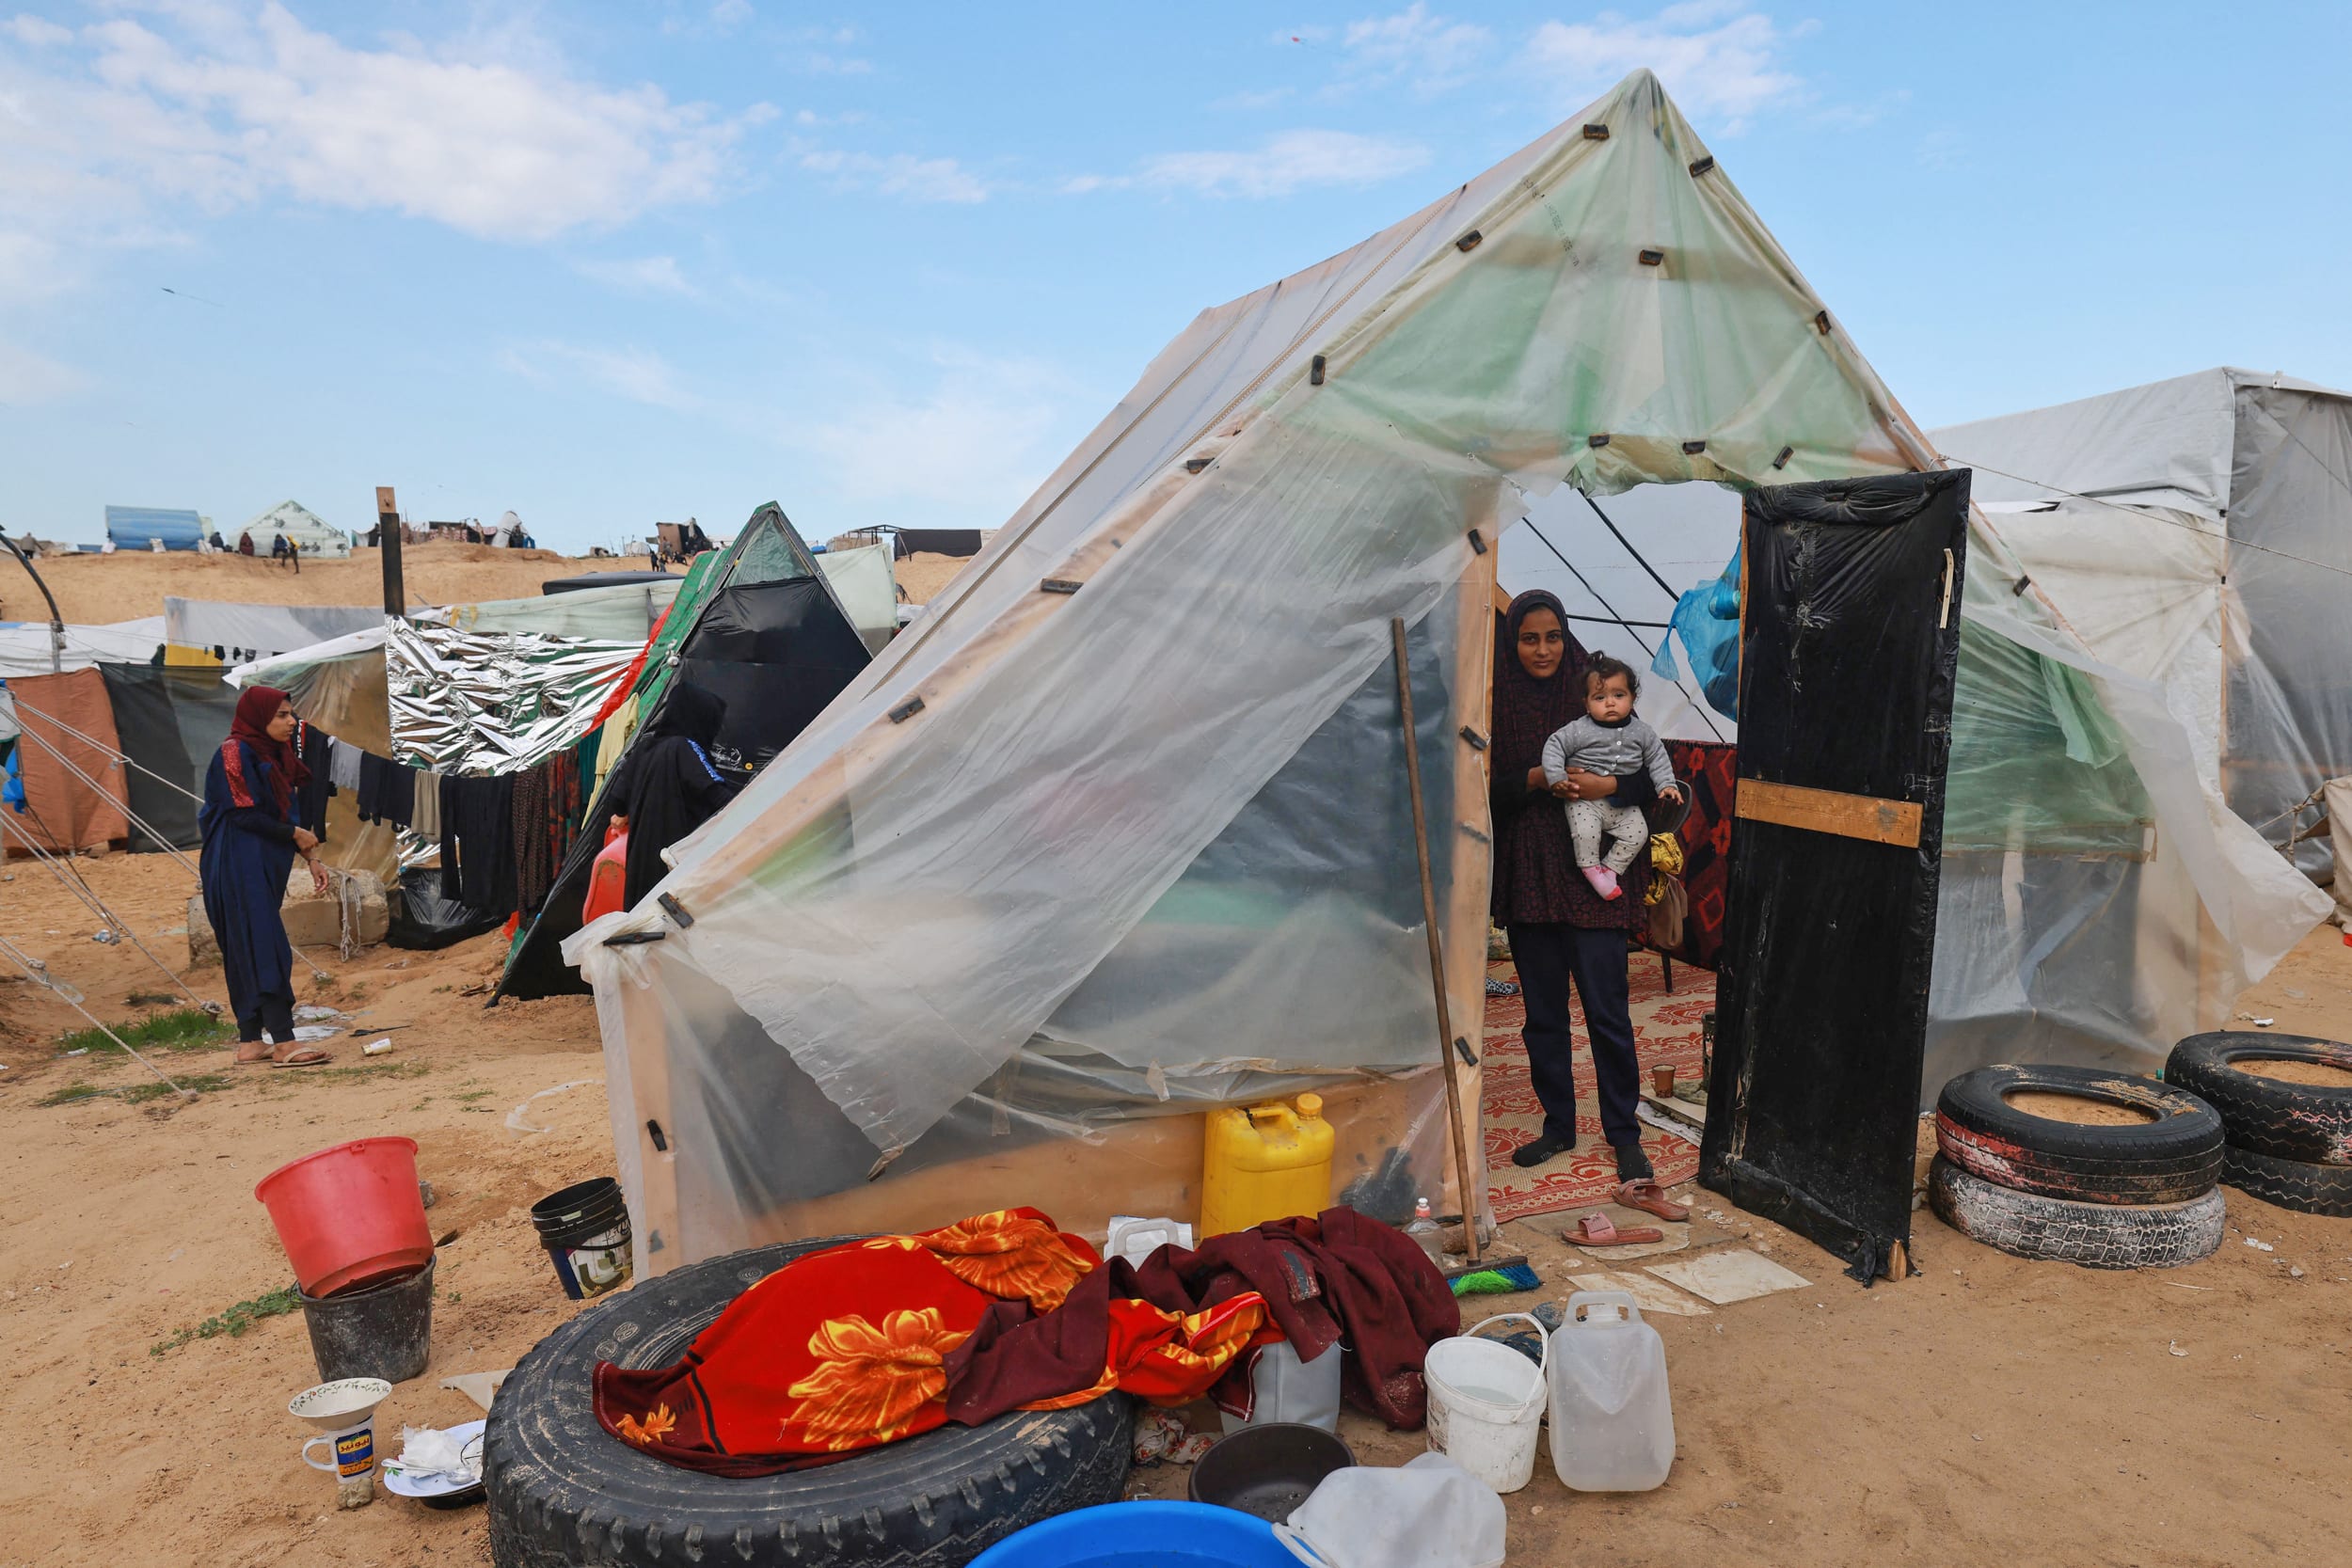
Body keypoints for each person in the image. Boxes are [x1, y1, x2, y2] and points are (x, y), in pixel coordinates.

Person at [1487, 590, 1685, 1218]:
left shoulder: (1597, 691)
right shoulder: (1497, 700)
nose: (1542, 649)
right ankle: (1558, 1124)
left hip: (1594, 872)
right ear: (1512, 642)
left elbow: (1647, 772)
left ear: (1565, 637)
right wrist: (1534, 779)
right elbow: (1483, 787)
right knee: (1543, 1013)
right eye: (1529, 638)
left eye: (1551, 636)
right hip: (1530, 876)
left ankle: (1624, 1135)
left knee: (1607, 1012)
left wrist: (1605, 784)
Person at [199, 685, 331, 1067]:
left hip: (262, 861)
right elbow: (243, 813)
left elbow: (281, 813)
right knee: (262, 945)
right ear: (258, 717)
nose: (292, 721)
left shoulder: (273, 754)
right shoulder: (234, 751)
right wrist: (295, 835)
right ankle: (285, 1042)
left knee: (249, 944)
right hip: (236, 861)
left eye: (291, 714)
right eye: (282, 715)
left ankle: (250, 1041)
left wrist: (309, 857)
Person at [1542, 652, 1681, 900]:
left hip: (1622, 803)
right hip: (1584, 801)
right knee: (1585, 833)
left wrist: (1667, 785)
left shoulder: (1642, 732)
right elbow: (1554, 746)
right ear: (1586, 703)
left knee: (1638, 834)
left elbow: (1657, 759)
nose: (1610, 703)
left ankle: (1610, 868)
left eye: (1619, 695)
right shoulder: (1579, 729)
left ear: (1633, 698)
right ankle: (1590, 868)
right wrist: (1556, 777)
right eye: (1600, 697)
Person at [606, 684, 743, 909]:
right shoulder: (684, 747)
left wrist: (627, 813)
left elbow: (617, 801)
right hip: (674, 868)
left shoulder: (645, 748)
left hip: (639, 870)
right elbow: (719, 797)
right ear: (700, 719)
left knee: (643, 926)